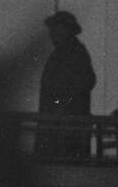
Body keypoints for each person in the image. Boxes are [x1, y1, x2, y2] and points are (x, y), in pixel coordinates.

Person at [37, 11, 96, 158]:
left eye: (56, 29)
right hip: (54, 125)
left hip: (67, 126)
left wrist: (59, 104)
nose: (52, 34)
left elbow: (86, 82)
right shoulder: (58, 54)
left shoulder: (76, 53)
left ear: (66, 31)